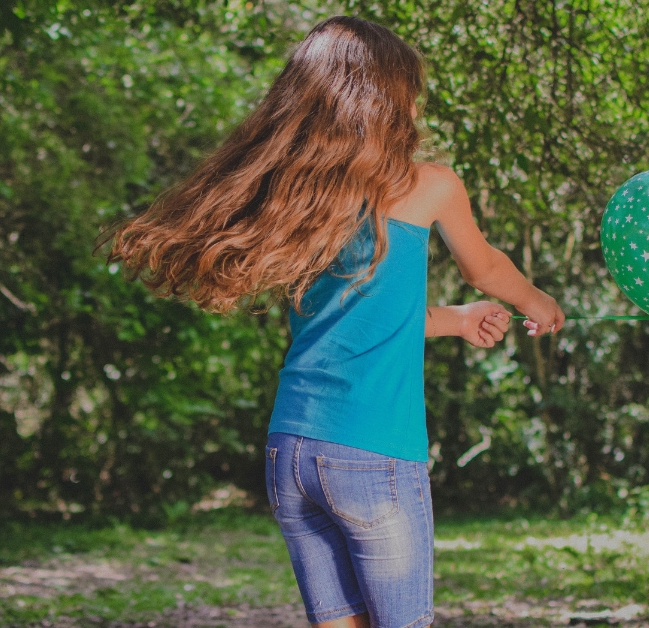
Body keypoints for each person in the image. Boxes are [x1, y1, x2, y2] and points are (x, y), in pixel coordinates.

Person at [106, 16, 564, 628]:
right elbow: (484, 268)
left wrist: (454, 321)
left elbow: (355, 316)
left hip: (291, 452)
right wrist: (535, 300)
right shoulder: (428, 185)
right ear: (390, 99)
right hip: (372, 454)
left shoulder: (300, 200)